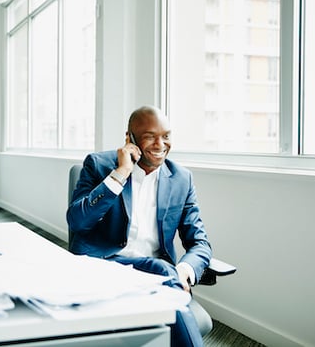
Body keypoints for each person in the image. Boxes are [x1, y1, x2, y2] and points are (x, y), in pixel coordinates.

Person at [66, 105, 212, 347]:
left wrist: (185, 269)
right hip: (104, 267)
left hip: (155, 278)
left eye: (166, 136)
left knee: (165, 272)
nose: (160, 145)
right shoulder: (98, 165)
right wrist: (121, 172)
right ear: (129, 139)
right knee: (163, 270)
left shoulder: (181, 178)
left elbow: (200, 242)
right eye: (149, 137)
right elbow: (78, 221)